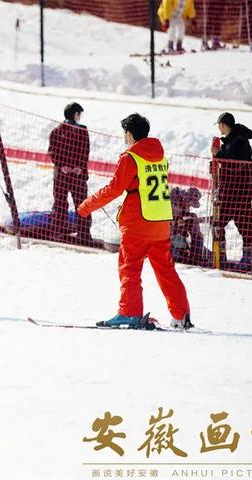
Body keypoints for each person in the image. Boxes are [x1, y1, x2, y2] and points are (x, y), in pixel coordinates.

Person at [78, 113, 192, 329]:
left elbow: (114, 189)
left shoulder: (130, 157)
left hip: (138, 224)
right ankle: (181, 315)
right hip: (160, 222)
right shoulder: (160, 157)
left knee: (129, 269)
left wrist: (86, 206)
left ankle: (129, 313)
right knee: (166, 271)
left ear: (129, 134)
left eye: (125, 133)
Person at [211, 112, 252, 270]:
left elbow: (235, 164)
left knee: (244, 225)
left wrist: (218, 154)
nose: (219, 128)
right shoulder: (231, 141)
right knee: (218, 223)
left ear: (223, 125)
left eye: (219, 125)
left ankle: (248, 258)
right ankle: (220, 255)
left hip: (239, 192)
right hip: (229, 191)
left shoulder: (239, 141)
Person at [48, 102, 92, 245]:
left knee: (67, 204)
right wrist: (69, 167)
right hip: (70, 176)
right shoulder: (65, 131)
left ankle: (67, 234)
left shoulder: (60, 131)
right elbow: (84, 152)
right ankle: (75, 235)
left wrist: (70, 167)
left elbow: (53, 152)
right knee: (74, 205)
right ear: (75, 114)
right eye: (79, 114)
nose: (80, 116)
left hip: (69, 175)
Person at [170, 186, 211, 267]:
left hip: (179, 235)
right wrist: (182, 222)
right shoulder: (173, 203)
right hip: (166, 237)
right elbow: (172, 224)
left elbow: (183, 219)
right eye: (189, 204)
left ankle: (196, 256)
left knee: (193, 221)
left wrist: (189, 220)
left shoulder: (183, 205)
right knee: (177, 257)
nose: (189, 207)